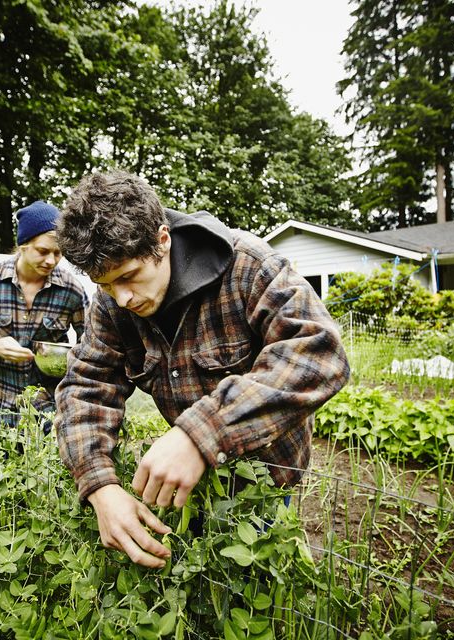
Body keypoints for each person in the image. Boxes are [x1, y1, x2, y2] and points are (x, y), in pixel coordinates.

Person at [53, 171, 350, 568]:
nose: (121, 299)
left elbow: (319, 353)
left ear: (162, 240)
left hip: (265, 481)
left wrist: (201, 433)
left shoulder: (249, 266)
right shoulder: (112, 303)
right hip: (187, 484)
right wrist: (100, 485)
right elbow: (85, 386)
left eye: (127, 277)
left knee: (260, 590)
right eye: (105, 285)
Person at [0, 200, 88, 430]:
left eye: (58, 253)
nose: (51, 260)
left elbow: (91, 342)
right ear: (23, 245)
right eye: (43, 251)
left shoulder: (71, 290)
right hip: (0, 410)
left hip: (49, 413)